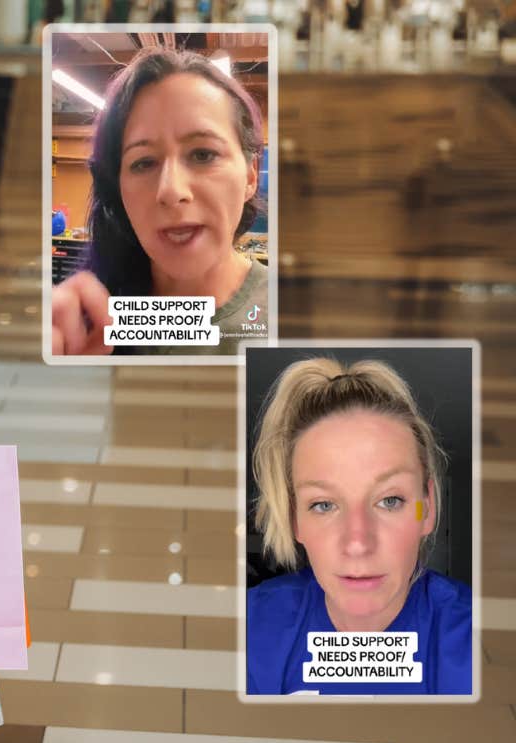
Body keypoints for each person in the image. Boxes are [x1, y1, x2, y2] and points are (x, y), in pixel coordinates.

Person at [246, 357, 472, 695]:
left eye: (390, 500)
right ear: (295, 521)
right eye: (323, 504)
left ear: (427, 509)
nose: (357, 543)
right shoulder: (249, 626)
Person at [51, 46, 268, 356]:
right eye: (143, 162)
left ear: (250, 176)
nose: (170, 190)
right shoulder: (89, 324)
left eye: (203, 154)